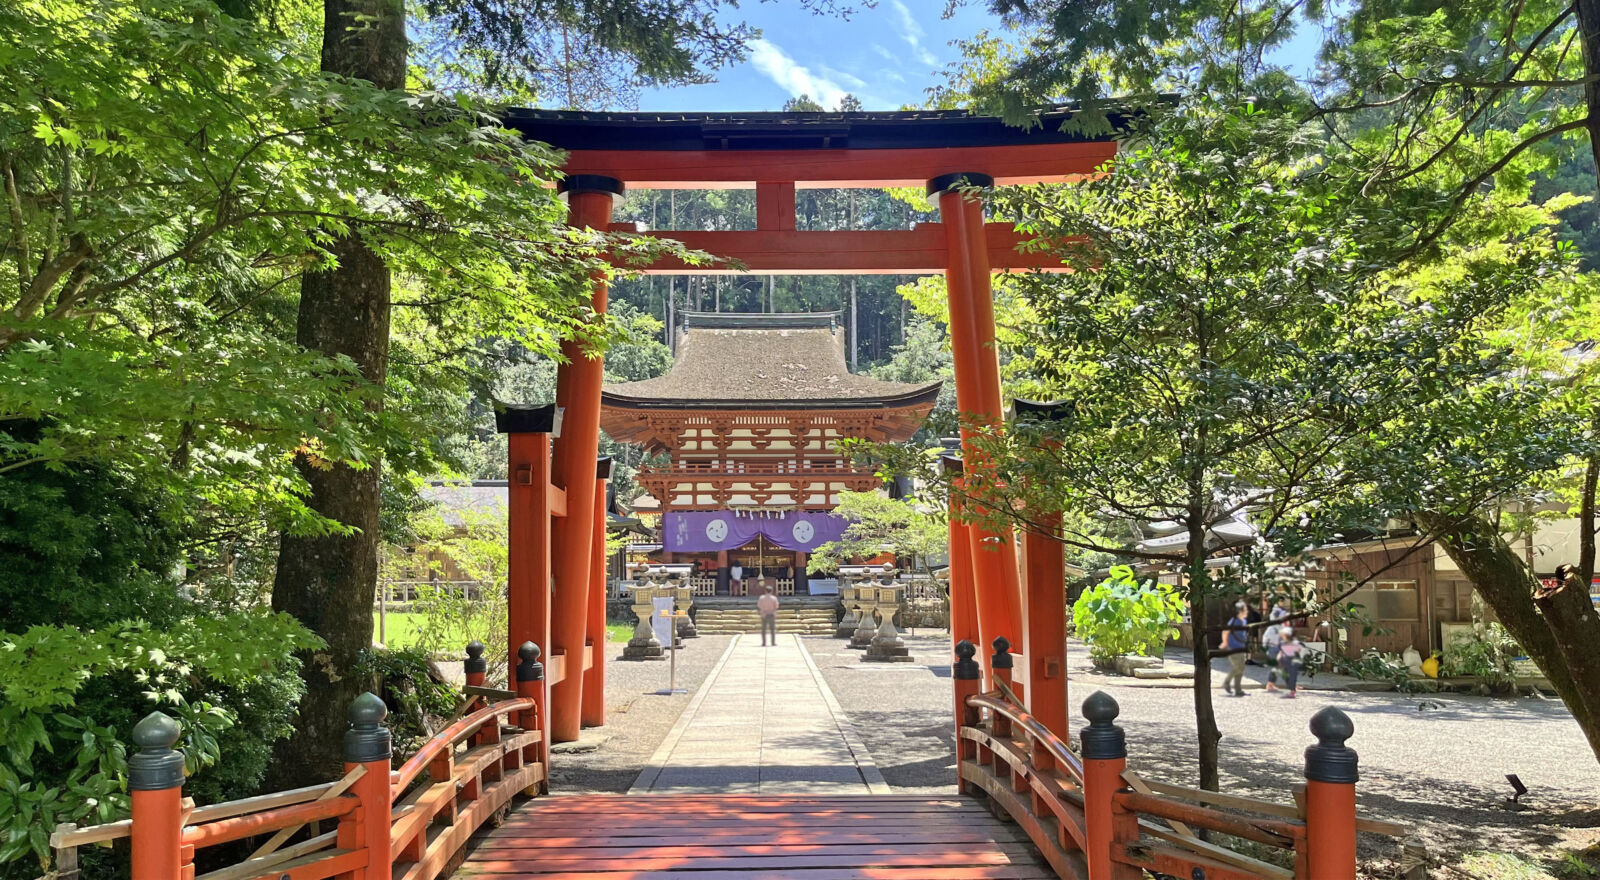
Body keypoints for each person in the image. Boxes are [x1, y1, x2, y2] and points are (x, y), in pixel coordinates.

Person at [1221, 601, 1251, 696]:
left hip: (1241, 648)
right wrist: (1225, 643)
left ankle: (1238, 690)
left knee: (1241, 668)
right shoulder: (1234, 621)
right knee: (1237, 667)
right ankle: (1226, 682)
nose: (1247, 611)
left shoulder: (1244, 621)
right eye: (1245, 609)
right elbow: (1225, 632)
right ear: (1240, 611)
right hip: (1233, 648)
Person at [1276, 626, 1306, 698]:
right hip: (1284, 661)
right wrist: (1279, 656)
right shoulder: (1281, 643)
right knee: (1284, 675)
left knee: (1292, 675)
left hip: (1293, 661)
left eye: (1283, 634)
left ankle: (1292, 691)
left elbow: (1301, 648)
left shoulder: (1296, 642)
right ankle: (1293, 686)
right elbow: (1281, 650)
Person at [1263, 620, 1285, 693]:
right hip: (1274, 648)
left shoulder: (1273, 628)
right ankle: (1270, 684)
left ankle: (1270, 684)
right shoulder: (1276, 628)